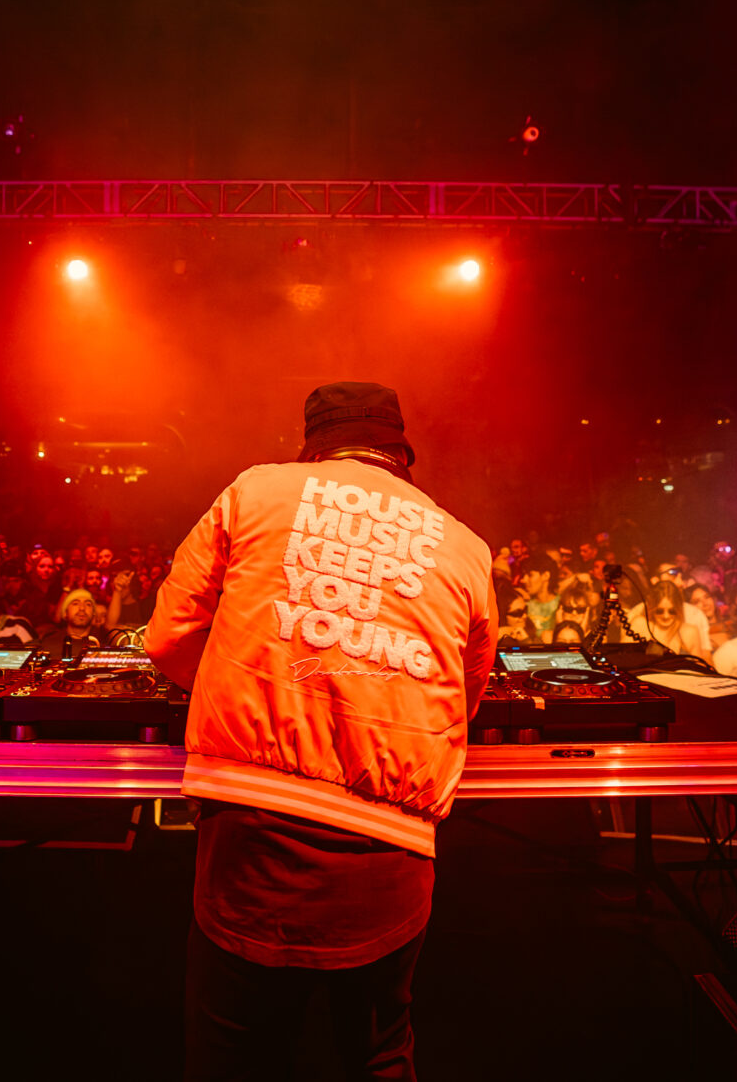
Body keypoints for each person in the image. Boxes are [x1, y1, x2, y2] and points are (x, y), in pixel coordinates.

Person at [145, 381, 496, 1080]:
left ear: (312, 448)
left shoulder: (256, 491)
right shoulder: (464, 544)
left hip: (253, 825)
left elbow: (167, 639)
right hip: (393, 843)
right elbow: (467, 689)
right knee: (378, 1050)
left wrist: (235, 685)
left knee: (234, 1055)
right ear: (401, 454)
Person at [34, 588, 105, 664]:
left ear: (93, 613)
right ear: (65, 613)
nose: (82, 608)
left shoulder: (104, 640)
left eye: (88, 604)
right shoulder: (48, 643)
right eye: (75, 603)